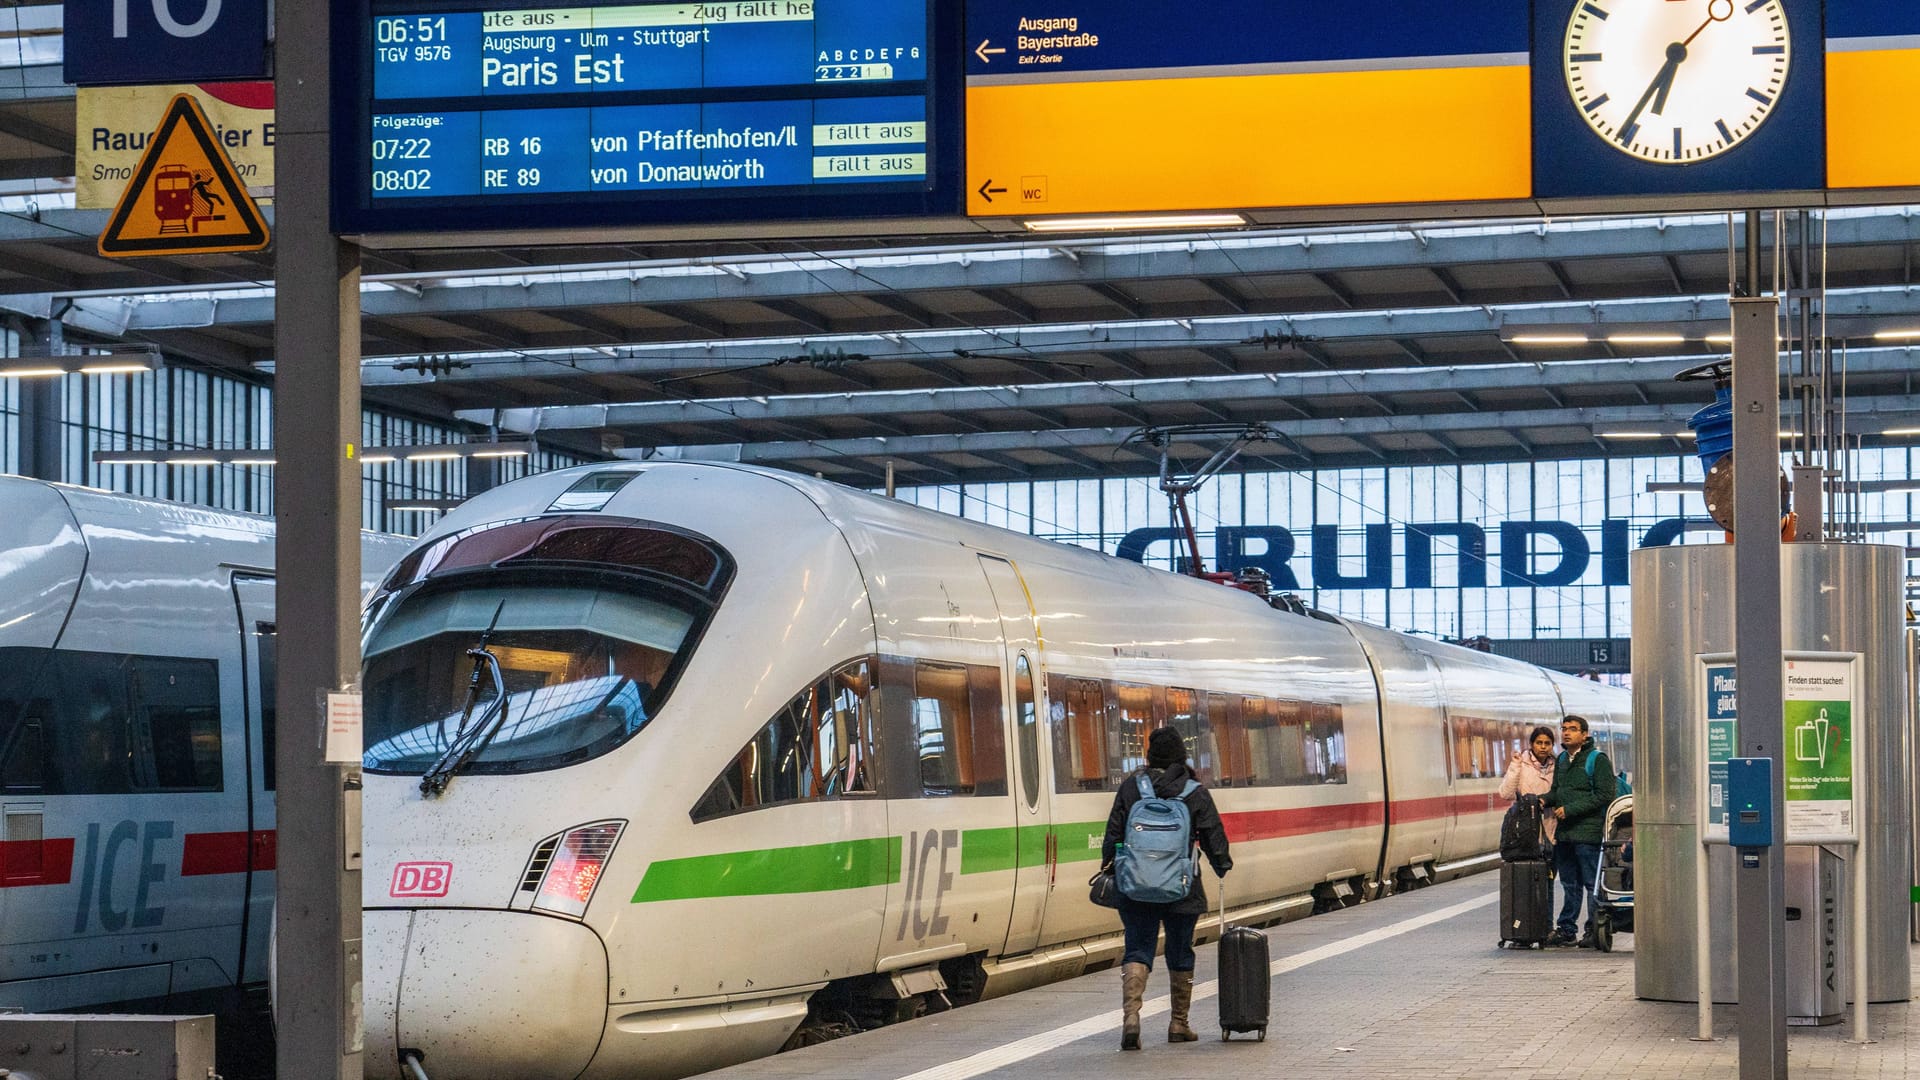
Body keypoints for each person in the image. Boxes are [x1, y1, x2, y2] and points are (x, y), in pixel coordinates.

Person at [1102, 726, 1232, 1050]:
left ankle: (1131, 1019)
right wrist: (1222, 864)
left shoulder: (1132, 787)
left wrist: (1110, 868)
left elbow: (1113, 834)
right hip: (1182, 887)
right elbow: (1213, 835)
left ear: (1149, 755)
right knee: (1180, 950)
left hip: (1136, 887)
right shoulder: (1193, 790)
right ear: (1180, 756)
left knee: (1137, 948)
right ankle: (1179, 1023)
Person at [1542, 714, 1617, 948]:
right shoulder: (1563, 759)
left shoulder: (1597, 759)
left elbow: (1605, 795)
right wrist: (1542, 800)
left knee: (1591, 883)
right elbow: (1557, 791)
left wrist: (1571, 810)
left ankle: (1594, 929)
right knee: (1569, 884)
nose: (1566, 733)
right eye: (1564, 729)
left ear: (1584, 734)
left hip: (1589, 834)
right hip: (1565, 835)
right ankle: (1567, 929)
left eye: (1573, 729)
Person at [1498, 725, 1559, 844]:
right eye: (1539, 742)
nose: (1543, 747)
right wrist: (1515, 767)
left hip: (1553, 826)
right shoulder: (1521, 764)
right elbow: (1505, 794)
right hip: (1527, 826)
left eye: (1547, 743)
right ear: (1531, 744)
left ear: (1552, 745)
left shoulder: (1558, 766)